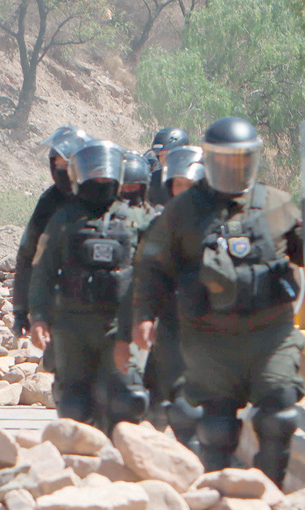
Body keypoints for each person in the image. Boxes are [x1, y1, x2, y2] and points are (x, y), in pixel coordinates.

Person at [131, 116, 305, 487]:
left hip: (270, 334)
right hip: (211, 338)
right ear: (209, 160)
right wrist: (145, 315)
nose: (233, 168)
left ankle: (269, 495)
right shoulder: (184, 211)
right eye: (225, 159)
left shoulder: (278, 204)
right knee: (216, 427)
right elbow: (152, 267)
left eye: (242, 159)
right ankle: (218, 501)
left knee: (280, 415)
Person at [29, 139, 146, 433]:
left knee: (125, 401)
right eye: (96, 174)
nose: (102, 181)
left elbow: (151, 276)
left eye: (106, 175)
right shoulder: (64, 219)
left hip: (117, 326)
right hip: (72, 325)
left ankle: (119, 467)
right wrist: (38, 317)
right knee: (74, 406)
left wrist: (147, 320)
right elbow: (42, 271)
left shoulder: (134, 221)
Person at [118, 144, 205, 433]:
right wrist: (140, 319)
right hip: (166, 322)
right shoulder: (157, 223)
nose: (183, 190)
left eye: (189, 184)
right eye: (177, 184)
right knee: (157, 397)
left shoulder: (221, 222)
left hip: (211, 325)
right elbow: (144, 273)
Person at [11, 125, 91, 337]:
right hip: (63, 303)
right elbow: (27, 253)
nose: (59, 169)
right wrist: (21, 310)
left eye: (65, 164)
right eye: (56, 163)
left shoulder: (105, 195)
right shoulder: (50, 200)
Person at [146, 127, 191, 207]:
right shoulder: (153, 181)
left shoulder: (196, 179)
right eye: (160, 155)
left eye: (169, 155)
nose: (164, 159)